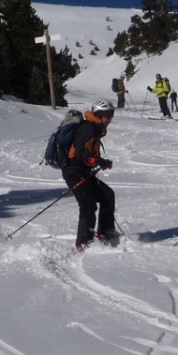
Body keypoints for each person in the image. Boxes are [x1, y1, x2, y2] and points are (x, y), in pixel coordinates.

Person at [63, 99, 117, 251]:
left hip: (83, 171)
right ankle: (84, 241)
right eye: (108, 116)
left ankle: (106, 232)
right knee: (87, 204)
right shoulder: (88, 128)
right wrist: (94, 160)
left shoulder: (95, 128)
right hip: (73, 171)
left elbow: (88, 153)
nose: (110, 120)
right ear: (99, 115)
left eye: (111, 116)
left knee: (107, 195)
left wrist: (101, 161)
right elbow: (80, 152)